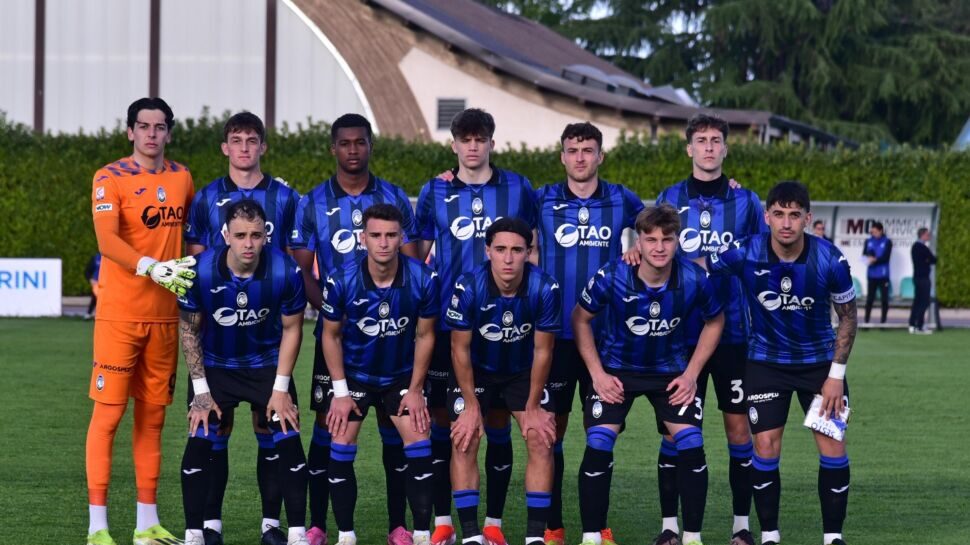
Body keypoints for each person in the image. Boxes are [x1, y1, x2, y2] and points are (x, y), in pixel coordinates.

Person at [290, 113, 419, 545]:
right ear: (334, 148)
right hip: (338, 339)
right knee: (328, 431)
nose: (352, 150)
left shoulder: (394, 196)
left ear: (369, 146)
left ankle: (398, 525)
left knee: (395, 432)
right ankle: (317, 525)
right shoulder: (312, 202)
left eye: (360, 142)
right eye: (344, 143)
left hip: (392, 338)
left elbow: (413, 263)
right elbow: (301, 269)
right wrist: (332, 311)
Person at [706, 181, 858, 545]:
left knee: (833, 446)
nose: (786, 223)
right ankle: (770, 535)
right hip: (766, 364)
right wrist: (644, 256)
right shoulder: (745, 252)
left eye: (794, 215)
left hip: (820, 367)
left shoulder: (830, 259)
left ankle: (832, 537)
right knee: (765, 447)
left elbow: (848, 317)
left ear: (807, 218)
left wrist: (836, 375)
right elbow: (700, 265)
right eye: (778, 214)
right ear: (766, 217)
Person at [414, 109, 538, 545]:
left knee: (499, 421)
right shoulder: (434, 189)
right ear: (453, 145)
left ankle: (494, 525)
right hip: (450, 325)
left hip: (505, 323)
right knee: (449, 423)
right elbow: (416, 253)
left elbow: (532, 246)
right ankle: (444, 522)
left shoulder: (518, 187)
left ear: (491, 143)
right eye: (465, 139)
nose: (472, 146)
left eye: (479, 139)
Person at [183, 111, 301, 545]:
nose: (245, 148)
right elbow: (195, 272)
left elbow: (294, 259)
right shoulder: (206, 199)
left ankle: (275, 526)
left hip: (266, 346)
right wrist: (200, 386)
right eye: (237, 140)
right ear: (225, 147)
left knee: (272, 429)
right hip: (217, 349)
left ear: (263, 146)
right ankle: (207, 527)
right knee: (213, 430)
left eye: (253, 140)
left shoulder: (286, 199)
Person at [574, 204, 724, 545]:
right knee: (598, 443)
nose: (659, 247)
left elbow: (716, 321)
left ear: (677, 241)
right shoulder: (612, 275)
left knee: (691, 443)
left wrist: (692, 375)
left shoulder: (694, 278)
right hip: (616, 371)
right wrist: (597, 374)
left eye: (667, 239)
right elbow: (580, 318)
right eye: (651, 239)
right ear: (638, 241)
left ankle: (692, 538)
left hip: (670, 372)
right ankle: (591, 538)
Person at [653, 113, 768, 545]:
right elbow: (653, 251)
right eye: (700, 140)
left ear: (725, 149)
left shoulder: (747, 202)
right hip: (680, 337)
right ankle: (670, 528)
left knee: (739, 433)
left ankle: (741, 527)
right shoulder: (669, 198)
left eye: (715, 140)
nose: (707, 147)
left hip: (734, 334)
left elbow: (761, 256)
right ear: (689, 148)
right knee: (676, 433)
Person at [86, 97, 196, 545]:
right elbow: (107, 241)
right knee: (108, 418)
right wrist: (152, 267)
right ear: (130, 131)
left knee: (152, 422)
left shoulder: (182, 177)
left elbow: (192, 238)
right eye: (144, 126)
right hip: (119, 316)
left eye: (160, 126)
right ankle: (97, 529)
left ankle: (146, 525)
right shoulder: (108, 177)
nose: (152, 134)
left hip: (165, 319)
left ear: (169, 131)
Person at [532, 122, 643, 545]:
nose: (580, 157)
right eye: (573, 150)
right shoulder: (540, 198)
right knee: (551, 433)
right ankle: (553, 526)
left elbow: (655, 225)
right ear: (562, 156)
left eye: (588, 150)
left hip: (606, 339)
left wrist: (637, 243)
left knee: (602, 435)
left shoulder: (621, 198)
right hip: (554, 336)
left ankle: (598, 527)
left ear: (601, 156)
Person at [319, 204, 440, 545]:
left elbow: (425, 335)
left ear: (401, 237)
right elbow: (330, 336)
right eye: (375, 235)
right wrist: (341, 393)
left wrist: (416, 390)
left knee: (420, 440)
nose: (383, 243)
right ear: (363, 239)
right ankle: (346, 536)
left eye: (390, 235)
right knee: (340, 441)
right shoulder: (341, 279)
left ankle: (419, 534)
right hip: (355, 375)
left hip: (400, 376)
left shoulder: (423, 279)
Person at [444, 217, 561, 545]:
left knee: (540, 438)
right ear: (488, 251)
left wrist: (533, 405)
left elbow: (543, 351)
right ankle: (471, 536)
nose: (508, 258)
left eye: (516, 250)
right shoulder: (469, 286)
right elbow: (459, 349)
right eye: (500, 249)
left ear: (529, 252)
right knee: (465, 438)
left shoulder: (545, 287)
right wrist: (470, 405)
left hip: (522, 371)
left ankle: (535, 537)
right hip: (477, 371)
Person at [909, 227, 936, 334]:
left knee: (917, 301)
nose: (929, 236)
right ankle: (919, 326)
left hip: (917, 277)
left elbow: (931, 259)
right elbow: (932, 259)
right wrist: (927, 260)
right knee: (924, 302)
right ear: (923, 235)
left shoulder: (915, 247)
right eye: (927, 234)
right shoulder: (921, 247)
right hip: (923, 278)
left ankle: (912, 324)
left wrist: (927, 260)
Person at [863, 222, 892, 324]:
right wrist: (868, 258)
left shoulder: (887, 241)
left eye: (875, 232)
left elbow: (886, 257)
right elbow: (864, 254)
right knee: (870, 299)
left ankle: (883, 322)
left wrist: (875, 260)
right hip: (871, 275)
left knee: (884, 300)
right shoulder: (868, 241)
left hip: (883, 275)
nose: (873, 234)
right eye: (872, 232)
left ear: (881, 231)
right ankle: (866, 322)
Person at [84, 253, 102, 319]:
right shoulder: (96, 258)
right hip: (97, 282)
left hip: (108, 283)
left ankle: (100, 315)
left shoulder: (112, 258)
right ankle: (89, 313)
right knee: (95, 297)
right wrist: (90, 279)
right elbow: (87, 271)